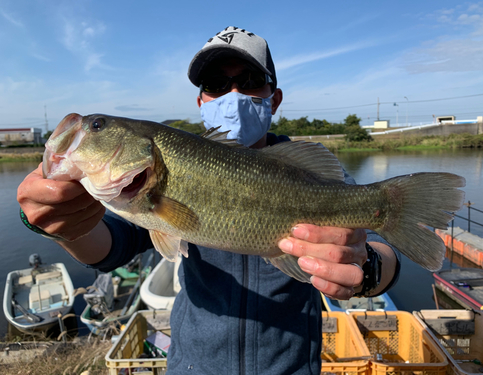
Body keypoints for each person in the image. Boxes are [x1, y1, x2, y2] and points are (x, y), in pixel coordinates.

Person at [18, 26, 401, 374]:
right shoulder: (142, 190)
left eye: (249, 81)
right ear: (202, 102)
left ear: (275, 98)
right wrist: (65, 227)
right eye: (217, 84)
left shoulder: (307, 170)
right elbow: (110, 248)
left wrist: (364, 267)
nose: (232, 94)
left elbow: (384, 257)